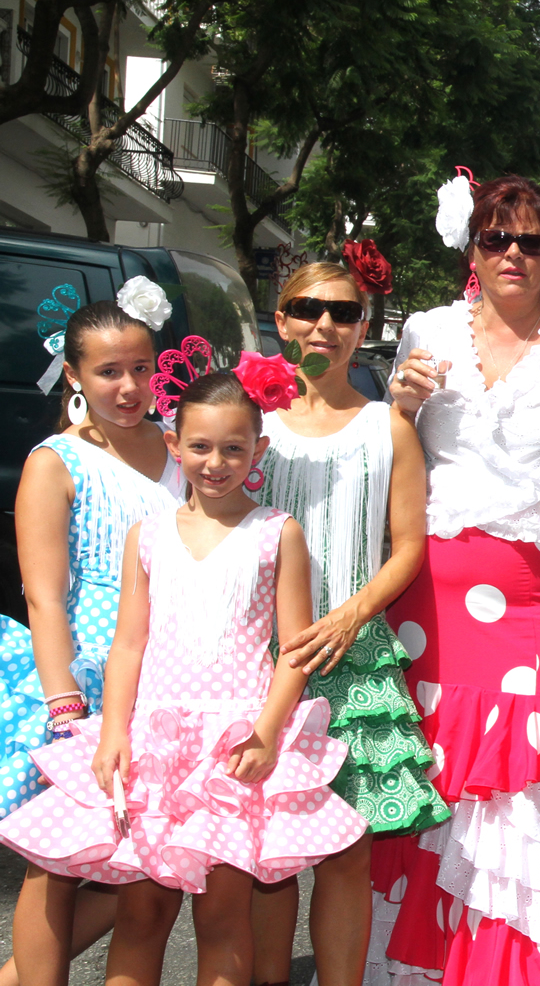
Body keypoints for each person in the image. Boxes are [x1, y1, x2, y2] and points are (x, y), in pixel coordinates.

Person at [0, 370, 367, 985]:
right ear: (175, 446)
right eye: (199, 446)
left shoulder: (279, 533)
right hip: (152, 745)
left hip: (232, 749)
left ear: (259, 450)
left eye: (233, 447)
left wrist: (268, 732)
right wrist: (113, 733)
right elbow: (128, 645)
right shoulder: (147, 536)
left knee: (224, 913)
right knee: (142, 910)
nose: (216, 462)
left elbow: (293, 650)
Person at [373, 173, 540, 986]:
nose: (514, 254)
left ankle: (510, 968)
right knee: (436, 774)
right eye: (497, 238)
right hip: (432, 599)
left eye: (532, 240)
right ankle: (427, 962)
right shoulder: (428, 328)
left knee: (522, 778)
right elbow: (394, 459)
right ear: (473, 248)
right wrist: (400, 404)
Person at [248, 263, 447, 986]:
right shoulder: (250, 426)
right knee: (265, 852)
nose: (323, 325)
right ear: (281, 317)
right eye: (307, 308)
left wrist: (351, 614)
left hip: (353, 656)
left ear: (364, 327)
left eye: (342, 311)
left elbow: (409, 548)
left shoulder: (387, 427)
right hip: (257, 659)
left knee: (346, 847)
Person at [0, 294, 185, 986]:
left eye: (141, 367)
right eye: (109, 371)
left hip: (169, 679)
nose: (130, 387)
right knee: (58, 862)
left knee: (147, 868)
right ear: (74, 375)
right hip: (84, 683)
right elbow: (44, 595)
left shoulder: (177, 444)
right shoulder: (56, 461)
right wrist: (64, 707)